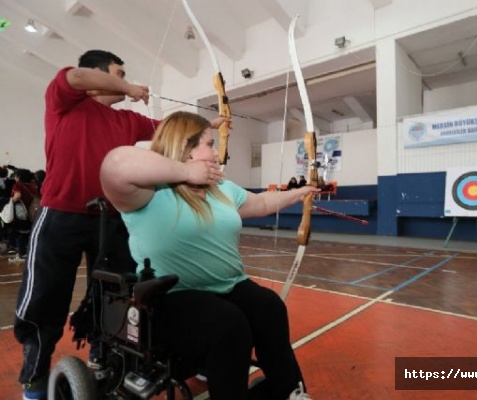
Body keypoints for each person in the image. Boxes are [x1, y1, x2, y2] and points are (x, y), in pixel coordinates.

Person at [100, 111, 318, 400]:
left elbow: (263, 202)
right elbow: (114, 164)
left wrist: (300, 193)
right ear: (187, 149)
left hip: (228, 286)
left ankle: (289, 391)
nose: (217, 153)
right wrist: (186, 173)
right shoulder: (148, 192)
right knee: (228, 325)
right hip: (173, 296)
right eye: (209, 144)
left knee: (269, 307)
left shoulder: (221, 188)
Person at [14, 49, 160, 400]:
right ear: (98, 74)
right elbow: (76, 78)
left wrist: (212, 125)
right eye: (117, 74)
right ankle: (35, 379)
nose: (122, 81)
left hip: (109, 220)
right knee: (45, 298)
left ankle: (103, 359)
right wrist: (131, 88)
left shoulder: (126, 121)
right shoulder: (65, 101)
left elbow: (169, 129)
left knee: (113, 296)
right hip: (60, 215)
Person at [10, 169, 40, 260]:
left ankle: (22, 253)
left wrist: (10, 201)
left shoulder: (18, 185)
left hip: (21, 212)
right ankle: (29, 251)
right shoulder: (32, 186)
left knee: (19, 233)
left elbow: (18, 196)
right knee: (29, 232)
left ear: (19, 176)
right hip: (32, 212)